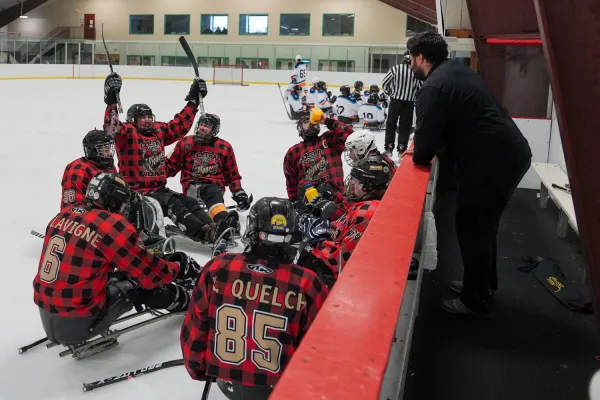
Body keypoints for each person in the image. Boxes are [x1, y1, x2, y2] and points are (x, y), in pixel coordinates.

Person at [407, 32, 532, 317]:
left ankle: (477, 299)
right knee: (481, 226)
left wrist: (420, 151)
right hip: (506, 154)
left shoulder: (433, 87)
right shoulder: (455, 70)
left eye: (411, 58)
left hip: (492, 161)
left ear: (421, 58)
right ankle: (482, 286)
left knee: (472, 226)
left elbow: (423, 149)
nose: (410, 63)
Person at [180, 197, 330, 400]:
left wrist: (198, 369)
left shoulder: (217, 268)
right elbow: (319, 353)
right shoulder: (308, 283)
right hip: (280, 389)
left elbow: (194, 332)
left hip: (226, 382)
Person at [34, 171, 202, 347]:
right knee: (142, 286)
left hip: (47, 311)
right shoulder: (111, 225)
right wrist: (178, 267)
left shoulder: (64, 215)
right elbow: (151, 275)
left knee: (121, 276)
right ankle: (189, 302)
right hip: (80, 319)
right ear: (116, 200)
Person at [102, 72, 218, 243]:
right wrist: (111, 100)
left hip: (160, 189)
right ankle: (204, 234)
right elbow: (112, 127)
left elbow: (179, 125)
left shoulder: (158, 131)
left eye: (149, 116)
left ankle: (213, 226)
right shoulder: (127, 133)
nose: (148, 120)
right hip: (138, 193)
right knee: (174, 204)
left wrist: (193, 101)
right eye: (143, 118)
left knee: (188, 202)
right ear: (133, 120)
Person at [296, 156, 393, 282]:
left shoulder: (366, 214)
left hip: (342, 281)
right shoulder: (366, 204)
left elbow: (338, 260)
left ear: (367, 186)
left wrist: (317, 239)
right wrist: (323, 226)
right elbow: (341, 229)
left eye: (355, 180)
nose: (350, 183)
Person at [166, 113, 251, 239]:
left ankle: (224, 223)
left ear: (214, 129)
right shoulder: (186, 142)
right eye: (201, 124)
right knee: (200, 201)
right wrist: (152, 176)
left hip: (214, 187)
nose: (202, 128)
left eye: (207, 126)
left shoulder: (224, 147)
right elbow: (169, 167)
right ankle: (223, 223)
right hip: (192, 185)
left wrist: (239, 192)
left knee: (213, 192)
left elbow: (232, 175)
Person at [283, 109, 353, 207]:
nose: (311, 124)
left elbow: (350, 135)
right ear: (300, 129)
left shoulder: (330, 139)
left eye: (312, 121)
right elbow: (291, 180)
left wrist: (327, 121)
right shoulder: (294, 151)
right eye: (306, 122)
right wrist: (294, 201)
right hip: (307, 200)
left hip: (336, 198)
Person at [60, 129, 116, 211]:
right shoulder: (78, 169)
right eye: (105, 150)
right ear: (93, 151)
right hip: (86, 220)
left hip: (106, 217)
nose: (110, 153)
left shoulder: (110, 168)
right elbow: (72, 210)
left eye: (110, 149)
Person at [381, 50, 422, 157]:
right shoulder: (416, 71)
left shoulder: (396, 68)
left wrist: (390, 93)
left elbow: (385, 83)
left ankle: (389, 149)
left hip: (395, 101)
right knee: (405, 126)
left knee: (391, 125)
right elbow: (420, 87)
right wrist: (413, 95)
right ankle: (401, 150)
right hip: (409, 103)